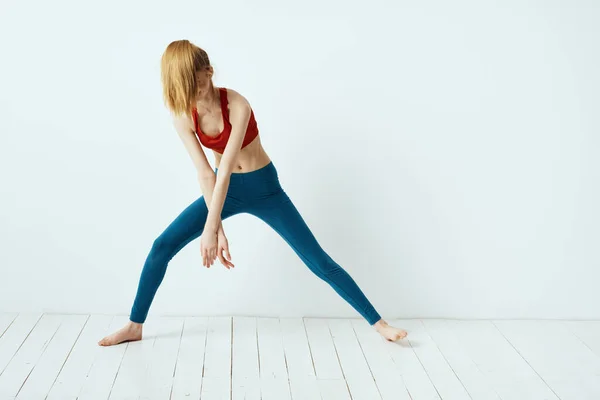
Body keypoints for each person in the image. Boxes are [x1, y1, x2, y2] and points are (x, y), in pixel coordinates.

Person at [98, 39, 407, 346]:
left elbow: (228, 163)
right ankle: (134, 325)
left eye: (198, 82)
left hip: (264, 189)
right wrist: (216, 229)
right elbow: (208, 173)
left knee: (317, 261)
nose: (194, 92)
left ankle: (380, 324)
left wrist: (211, 227)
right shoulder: (183, 117)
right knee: (161, 245)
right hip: (223, 189)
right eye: (184, 86)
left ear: (209, 71)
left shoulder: (237, 105)